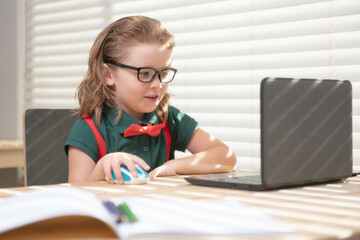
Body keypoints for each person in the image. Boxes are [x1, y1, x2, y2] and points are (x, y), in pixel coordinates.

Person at [65, 15, 236, 184]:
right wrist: (102, 168)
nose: (158, 84)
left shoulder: (169, 118)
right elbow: (77, 196)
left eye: (163, 73)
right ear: (107, 74)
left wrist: (174, 166)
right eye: (145, 73)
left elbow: (225, 156)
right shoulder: (88, 129)